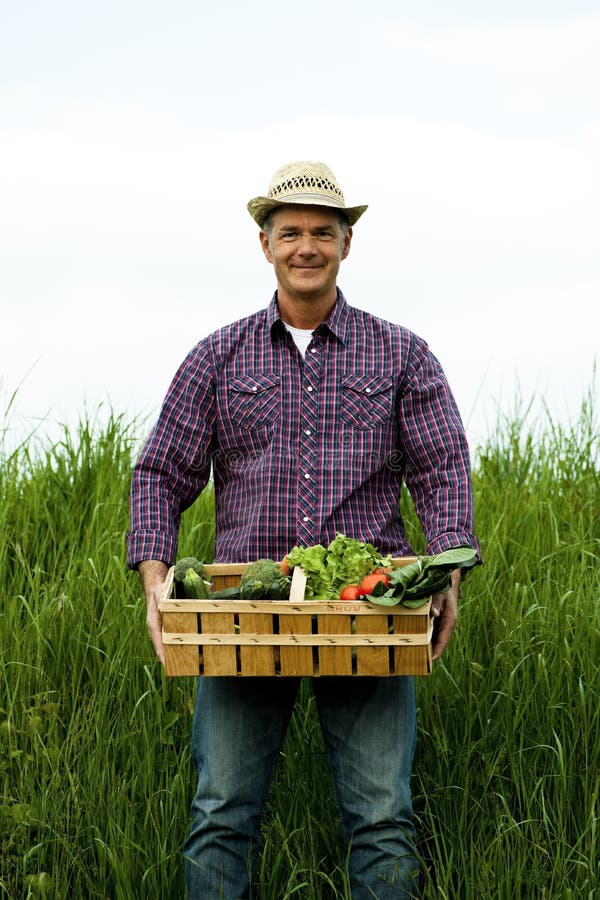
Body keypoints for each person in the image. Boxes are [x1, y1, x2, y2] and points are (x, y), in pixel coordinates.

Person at [127, 160, 480, 899]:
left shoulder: (402, 354)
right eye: (291, 233)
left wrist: (446, 574)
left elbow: (443, 467)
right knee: (221, 813)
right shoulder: (217, 357)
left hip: (370, 613)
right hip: (246, 620)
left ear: (347, 244)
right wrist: (157, 581)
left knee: (382, 817)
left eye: (324, 231)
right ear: (265, 244)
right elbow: (161, 471)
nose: (307, 246)